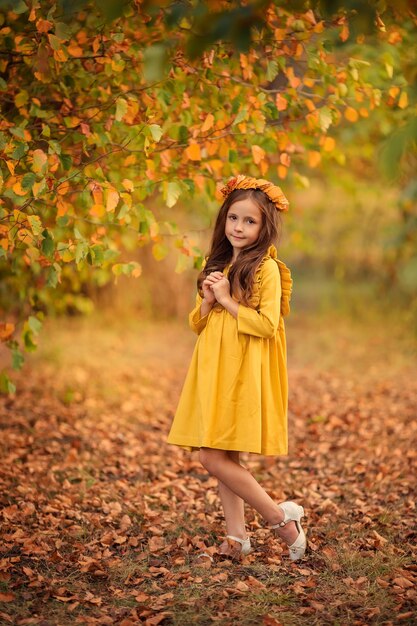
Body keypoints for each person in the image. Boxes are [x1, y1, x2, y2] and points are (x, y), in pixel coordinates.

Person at [167, 175, 306, 563]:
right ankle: (236, 537)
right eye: (233, 219)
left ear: (264, 227)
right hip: (213, 369)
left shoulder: (267, 269)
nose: (239, 228)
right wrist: (209, 302)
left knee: (211, 458)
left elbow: (266, 325)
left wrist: (227, 300)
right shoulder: (218, 261)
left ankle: (281, 518)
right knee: (224, 459)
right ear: (223, 220)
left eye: (249, 222)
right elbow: (197, 323)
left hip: (243, 370)